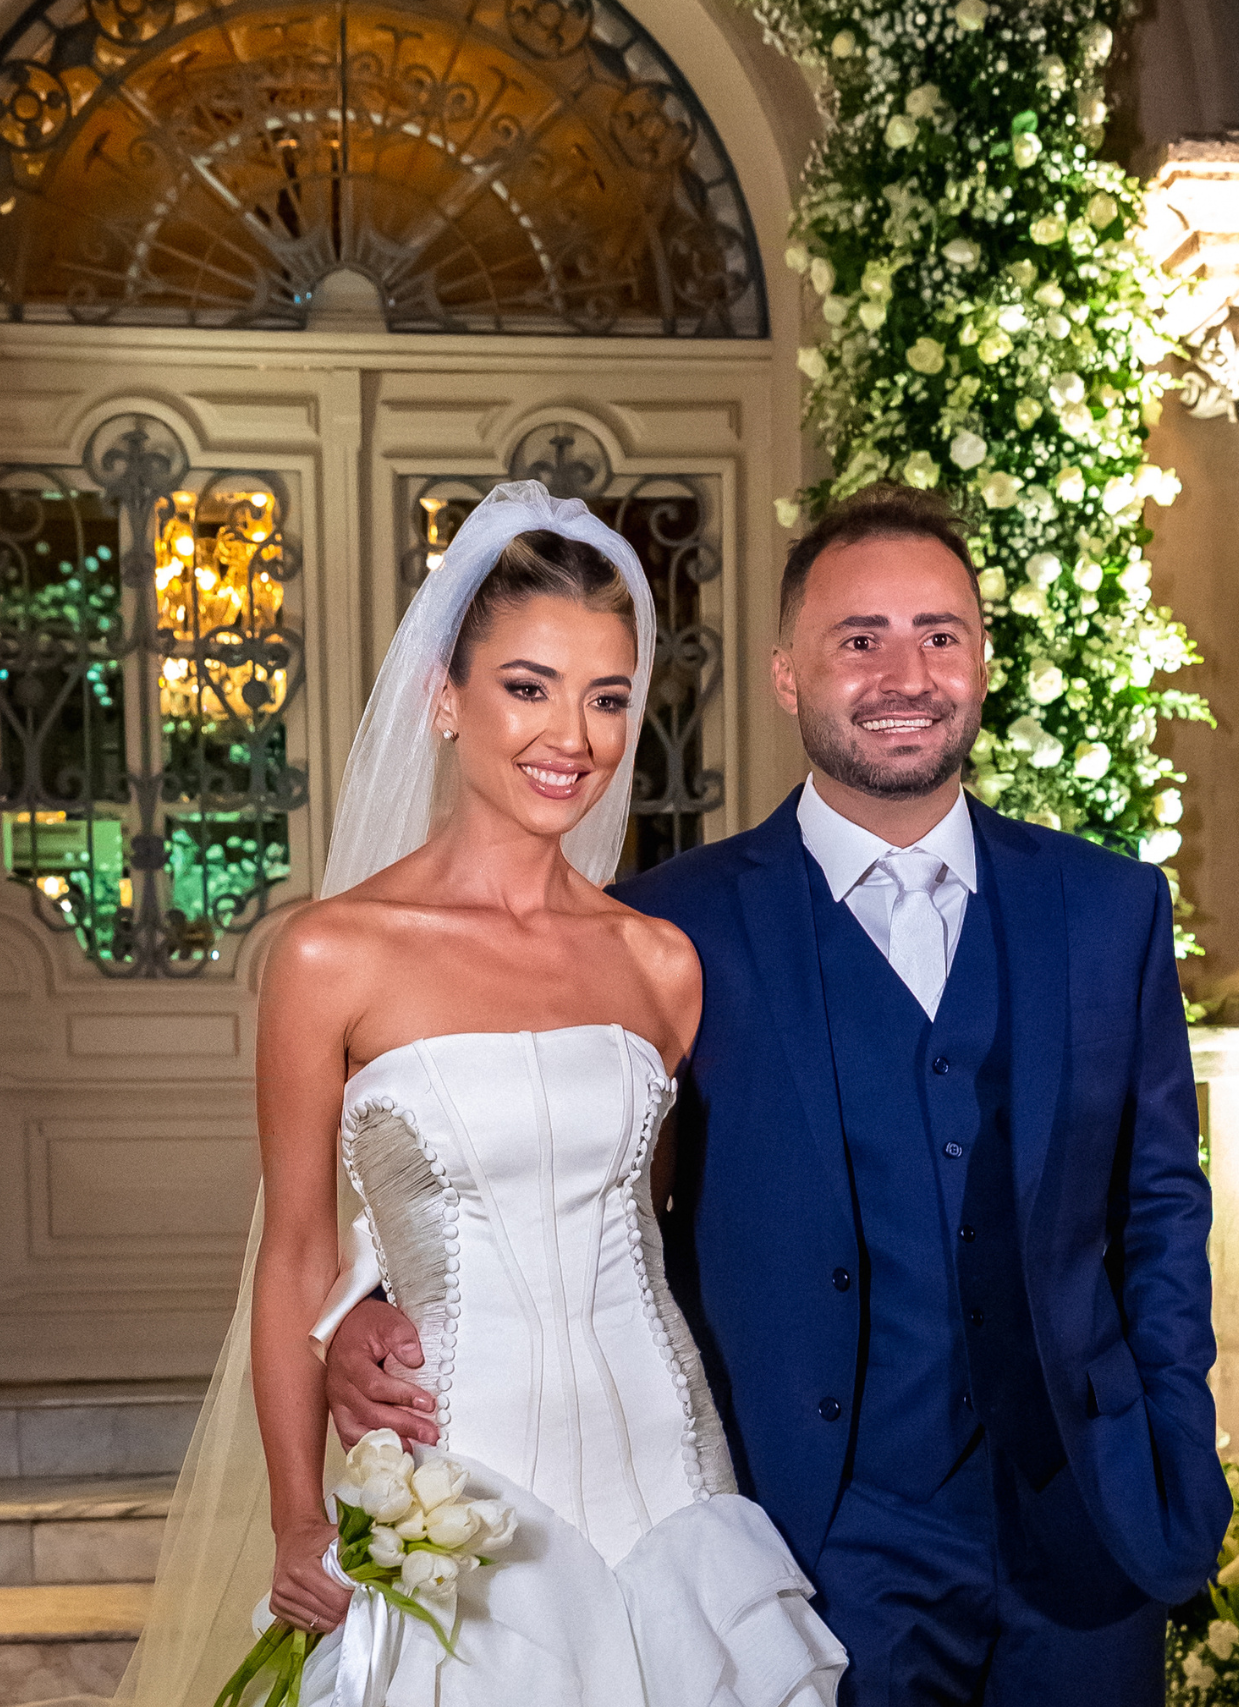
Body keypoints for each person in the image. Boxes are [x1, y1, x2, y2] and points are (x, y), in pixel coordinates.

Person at [327, 482, 1229, 1705]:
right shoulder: (667, 927)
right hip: (817, 1537)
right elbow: (532, 1154)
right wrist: (382, 1311)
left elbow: (1161, 1205)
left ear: (981, 663)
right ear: (786, 677)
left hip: (1089, 1526)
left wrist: (1177, 1440)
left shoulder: (1109, 908)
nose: (904, 672)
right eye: (859, 640)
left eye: (939, 635)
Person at [111, 481, 846, 1707]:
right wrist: (300, 1516)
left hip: (666, 1474)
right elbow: (294, 1253)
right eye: (528, 686)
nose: (574, 735)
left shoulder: (659, 965)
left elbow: (657, 1230)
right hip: (459, 1482)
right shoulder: (329, 956)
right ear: (443, 698)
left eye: (607, 697)